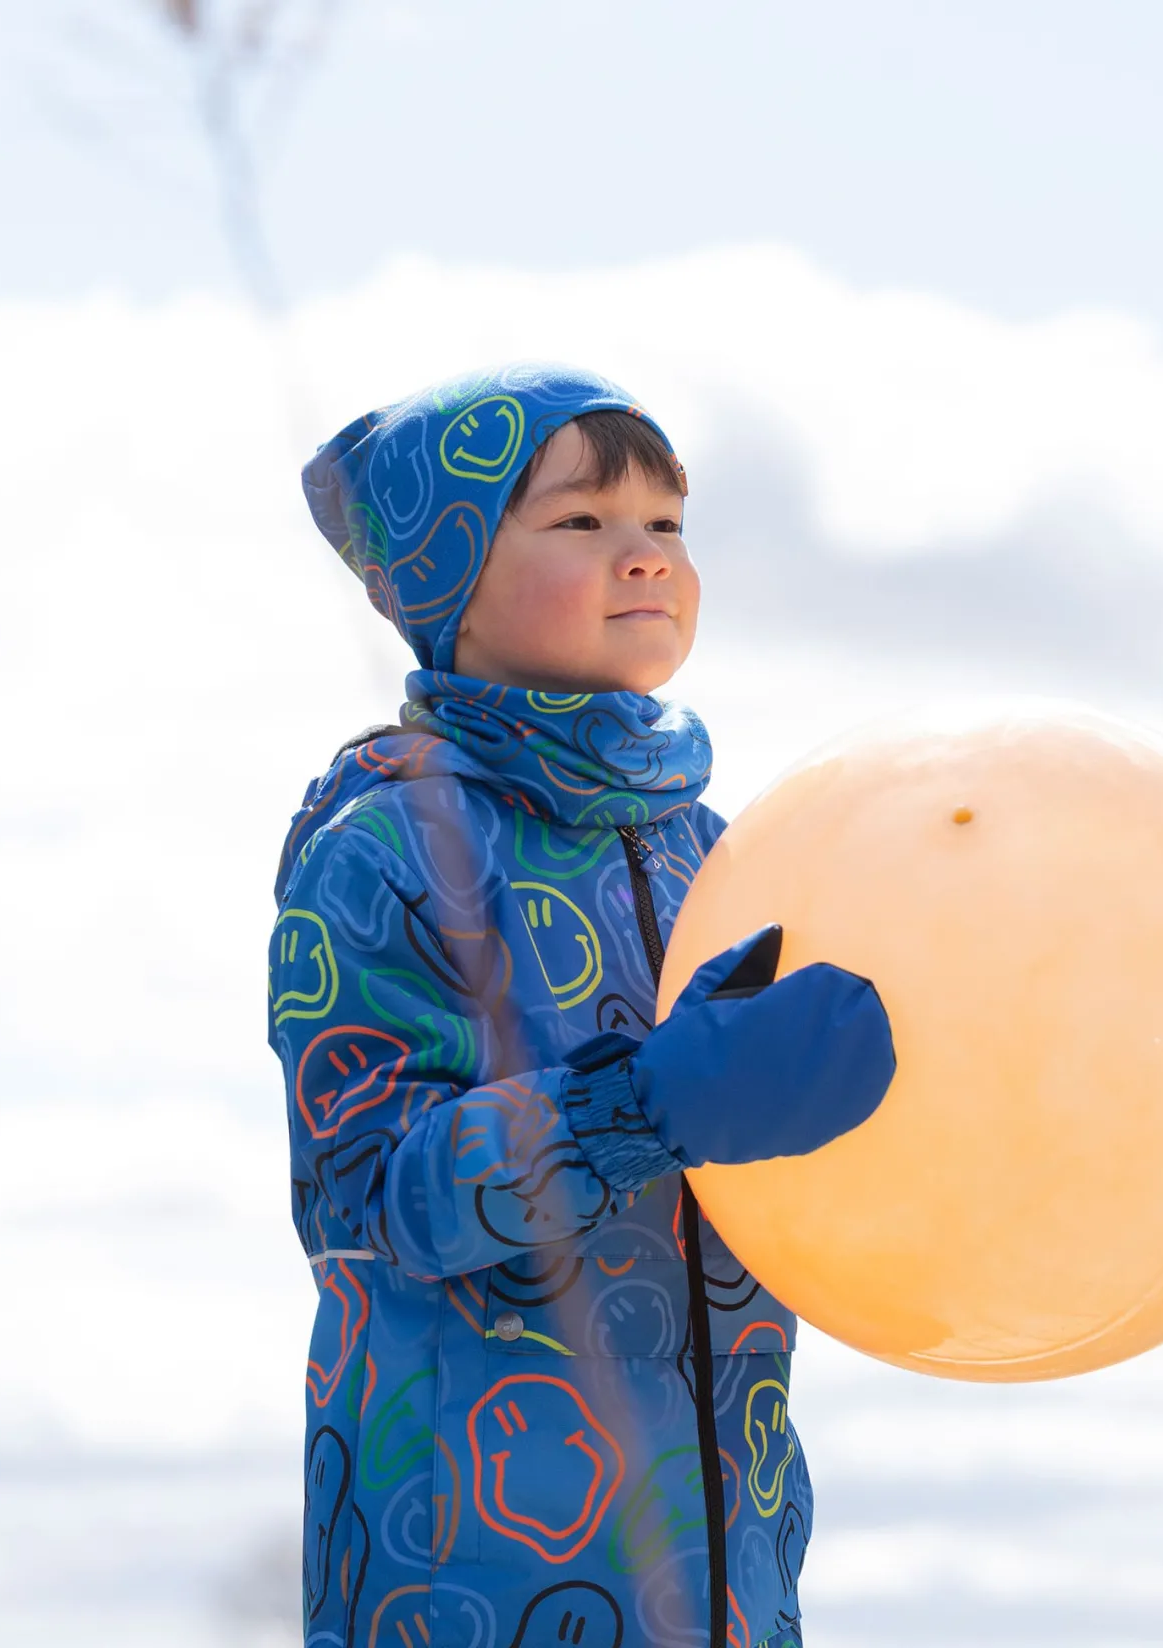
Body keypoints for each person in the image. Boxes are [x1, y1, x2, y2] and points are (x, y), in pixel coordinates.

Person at [269, 363, 895, 1648]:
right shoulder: (385, 845)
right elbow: (368, 1199)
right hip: (464, 1576)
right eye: (581, 523)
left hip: (729, 1567)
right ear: (449, 578)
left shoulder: (722, 855)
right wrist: (647, 1103)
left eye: (667, 524)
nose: (645, 556)